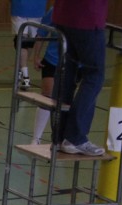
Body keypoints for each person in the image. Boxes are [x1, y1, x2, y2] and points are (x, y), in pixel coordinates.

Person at [53, 0, 109, 156]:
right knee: (94, 76)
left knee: (66, 73)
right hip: (87, 18)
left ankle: (59, 136)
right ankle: (75, 137)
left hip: (63, 16)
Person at [30, 5, 60, 144]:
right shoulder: (56, 9)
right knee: (47, 96)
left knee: (64, 101)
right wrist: (36, 56)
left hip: (73, 63)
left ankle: (59, 138)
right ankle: (36, 138)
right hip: (52, 60)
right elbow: (41, 33)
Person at [10, 0, 46, 91]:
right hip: (37, 8)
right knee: (27, 42)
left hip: (21, 7)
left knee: (23, 41)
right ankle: (22, 72)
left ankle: (24, 75)